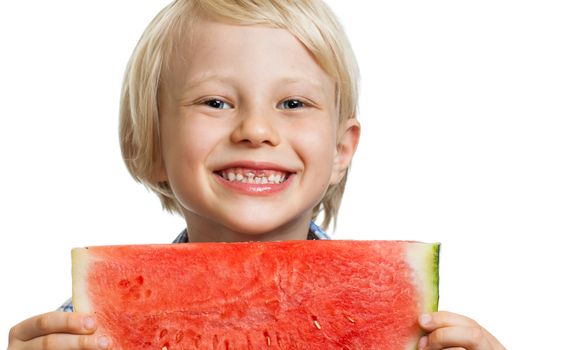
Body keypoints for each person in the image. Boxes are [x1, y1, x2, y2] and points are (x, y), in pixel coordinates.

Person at [8, 1, 505, 349]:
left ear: (339, 149)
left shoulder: (407, 325)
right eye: (216, 102)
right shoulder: (85, 325)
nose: (256, 129)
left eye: (293, 103)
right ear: (152, 144)